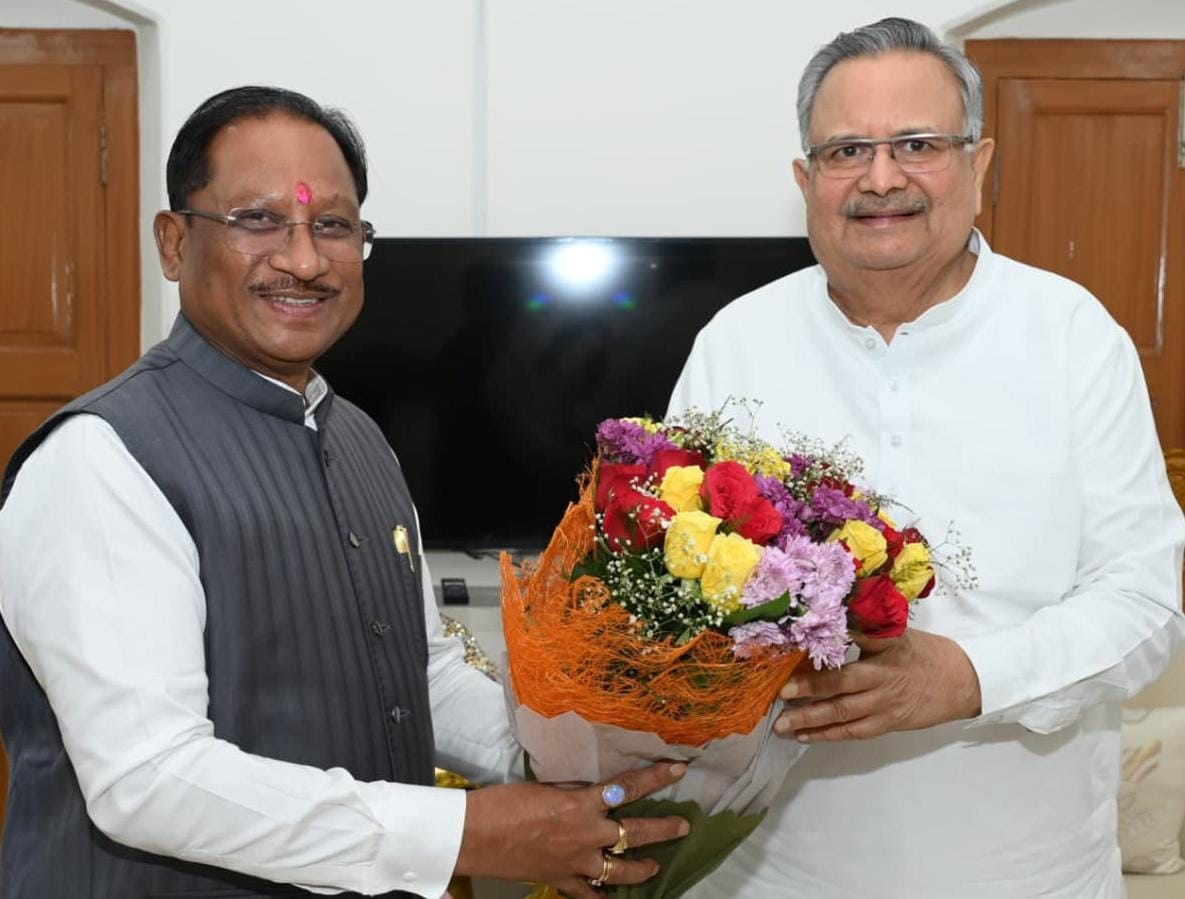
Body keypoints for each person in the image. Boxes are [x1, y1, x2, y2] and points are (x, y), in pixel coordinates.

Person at [0, 86, 688, 899]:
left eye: (332, 225)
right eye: (258, 219)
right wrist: (469, 833)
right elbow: (149, 778)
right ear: (174, 242)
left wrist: (575, 761)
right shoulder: (101, 458)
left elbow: (416, 671)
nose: (302, 259)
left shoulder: (358, 438)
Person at [669, 17, 1185, 899]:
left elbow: (1145, 603)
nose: (881, 178)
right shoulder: (736, 341)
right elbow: (673, 582)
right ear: (804, 179)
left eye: (917, 144)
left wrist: (970, 677)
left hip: (1028, 878)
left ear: (977, 165)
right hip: (768, 877)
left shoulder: (1071, 336)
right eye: (846, 151)